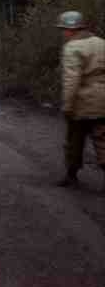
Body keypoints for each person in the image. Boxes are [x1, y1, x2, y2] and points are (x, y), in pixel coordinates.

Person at [55, 11, 105, 188]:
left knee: (74, 141)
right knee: (102, 141)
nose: (63, 33)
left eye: (63, 29)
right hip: (103, 102)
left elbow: (72, 80)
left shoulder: (72, 48)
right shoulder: (101, 43)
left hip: (82, 103)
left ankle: (71, 176)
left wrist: (67, 106)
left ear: (70, 29)